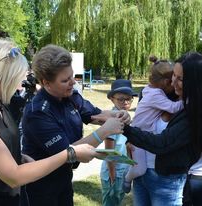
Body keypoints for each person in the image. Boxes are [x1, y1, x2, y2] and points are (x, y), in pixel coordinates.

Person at [0, 39, 110, 206]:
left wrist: (19, 156)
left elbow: (0, 150)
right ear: (2, 77)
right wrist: (70, 153)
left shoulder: (0, 106)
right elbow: (13, 176)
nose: (21, 84)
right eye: (18, 77)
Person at [21, 44, 130, 206]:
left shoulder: (69, 95)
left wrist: (118, 114)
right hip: (40, 187)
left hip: (63, 181)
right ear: (46, 83)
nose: (73, 82)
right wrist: (105, 131)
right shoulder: (37, 113)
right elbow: (69, 153)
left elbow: (96, 114)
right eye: (65, 80)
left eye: (72, 76)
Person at [120, 52, 202, 205]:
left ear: (195, 82)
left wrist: (125, 130)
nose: (173, 82)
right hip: (142, 174)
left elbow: (163, 143)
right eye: (173, 76)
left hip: (165, 181)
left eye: (180, 79)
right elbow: (143, 123)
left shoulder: (195, 112)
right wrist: (130, 141)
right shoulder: (163, 94)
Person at [123, 60, 183, 195]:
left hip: (143, 135)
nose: (174, 83)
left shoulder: (149, 90)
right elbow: (173, 108)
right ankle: (126, 179)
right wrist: (187, 100)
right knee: (140, 169)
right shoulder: (155, 95)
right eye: (173, 79)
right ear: (167, 82)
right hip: (139, 136)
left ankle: (129, 171)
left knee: (138, 165)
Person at [100, 79, 137, 206]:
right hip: (114, 171)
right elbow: (109, 151)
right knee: (111, 202)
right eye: (121, 99)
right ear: (112, 98)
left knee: (117, 200)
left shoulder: (126, 118)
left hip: (123, 169)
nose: (125, 102)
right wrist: (112, 174)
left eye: (128, 99)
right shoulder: (113, 120)